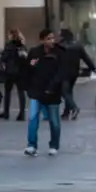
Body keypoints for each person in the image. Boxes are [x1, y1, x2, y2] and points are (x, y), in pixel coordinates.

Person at [24, 29, 64, 157]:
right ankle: (31, 145)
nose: (51, 41)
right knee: (32, 118)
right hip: (36, 91)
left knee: (54, 121)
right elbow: (27, 70)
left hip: (53, 92)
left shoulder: (59, 52)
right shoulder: (34, 52)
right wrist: (31, 66)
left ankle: (54, 145)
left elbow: (61, 73)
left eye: (53, 38)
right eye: (48, 38)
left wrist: (53, 87)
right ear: (42, 40)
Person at [57, 29, 95, 120]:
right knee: (69, 91)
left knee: (65, 92)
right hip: (74, 72)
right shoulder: (78, 46)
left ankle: (74, 108)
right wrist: (93, 68)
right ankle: (66, 112)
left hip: (63, 72)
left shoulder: (59, 46)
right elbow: (86, 58)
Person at [0, 29, 28, 121]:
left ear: (11, 35)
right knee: (21, 92)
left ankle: (6, 112)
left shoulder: (9, 45)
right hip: (21, 72)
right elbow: (25, 57)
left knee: (7, 92)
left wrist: (1, 53)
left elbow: (4, 58)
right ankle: (22, 113)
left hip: (10, 72)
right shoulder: (22, 46)